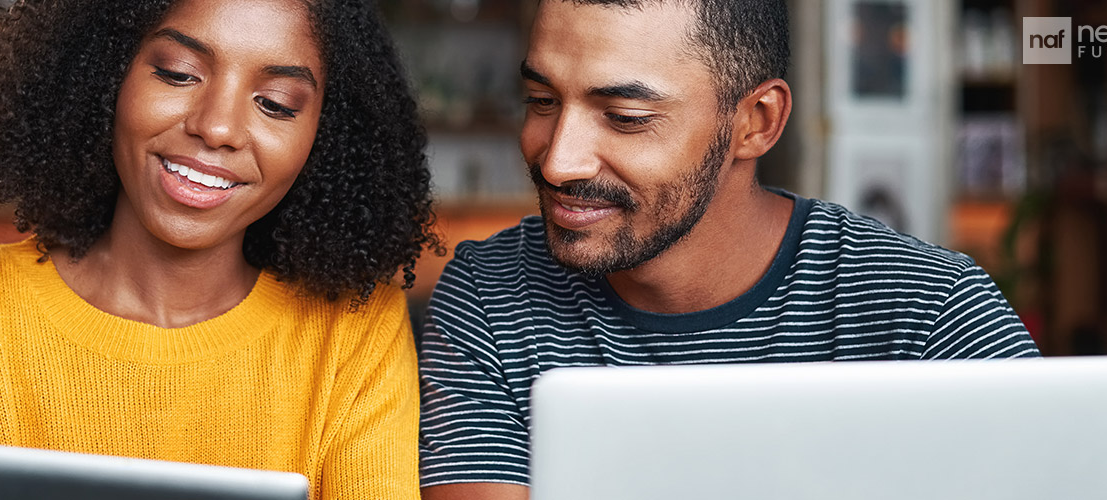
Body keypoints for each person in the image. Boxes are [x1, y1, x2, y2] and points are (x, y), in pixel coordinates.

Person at [417, 1, 1040, 499]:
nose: (558, 159)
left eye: (626, 117)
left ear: (757, 122)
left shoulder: (927, 309)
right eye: (541, 102)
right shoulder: (491, 295)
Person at [0, 0, 440, 498]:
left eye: (275, 104)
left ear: (328, 136)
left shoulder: (352, 330)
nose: (218, 127)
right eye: (178, 73)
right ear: (106, 76)